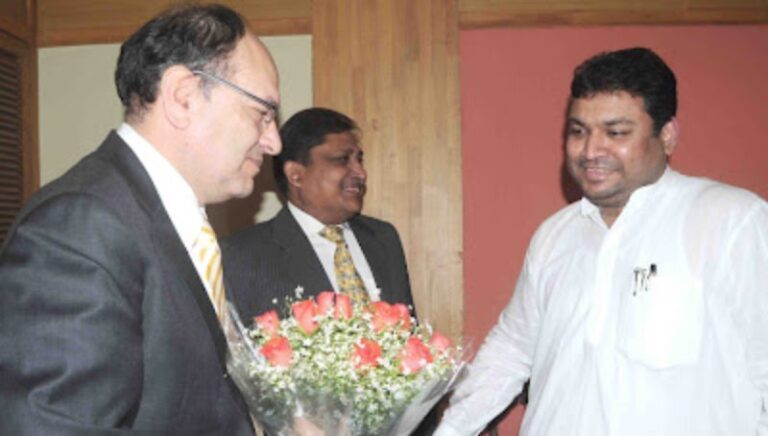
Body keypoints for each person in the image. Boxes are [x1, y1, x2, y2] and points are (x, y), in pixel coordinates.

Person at [435, 47, 768, 436]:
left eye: (616, 133)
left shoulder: (731, 221)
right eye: (579, 131)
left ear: (667, 135)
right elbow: (510, 352)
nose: (591, 151)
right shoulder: (554, 236)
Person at [0, 4, 281, 434]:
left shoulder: (169, 217)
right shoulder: (77, 230)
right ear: (183, 96)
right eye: (262, 113)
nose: (274, 141)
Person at [222, 107, 414, 320]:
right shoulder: (243, 255)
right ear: (296, 175)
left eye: (359, 159)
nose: (360, 172)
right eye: (342, 160)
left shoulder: (383, 239)